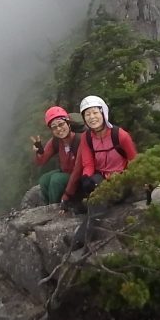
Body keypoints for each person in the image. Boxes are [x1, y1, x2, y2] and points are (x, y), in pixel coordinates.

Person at [62, 95, 138, 243]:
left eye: (95, 112)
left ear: (103, 113)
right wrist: (86, 177)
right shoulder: (87, 137)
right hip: (101, 179)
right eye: (87, 114)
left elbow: (135, 161)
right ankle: (92, 211)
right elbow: (88, 163)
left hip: (122, 180)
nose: (92, 117)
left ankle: (80, 238)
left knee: (98, 199)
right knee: (94, 186)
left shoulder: (120, 135)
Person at [30, 105, 80, 205]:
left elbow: (80, 168)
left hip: (79, 174)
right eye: (54, 127)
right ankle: (50, 204)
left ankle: (55, 207)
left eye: (61, 124)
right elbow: (41, 161)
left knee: (56, 180)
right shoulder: (56, 141)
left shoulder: (79, 140)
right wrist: (39, 152)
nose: (59, 129)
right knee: (44, 179)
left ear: (68, 123)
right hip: (66, 172)